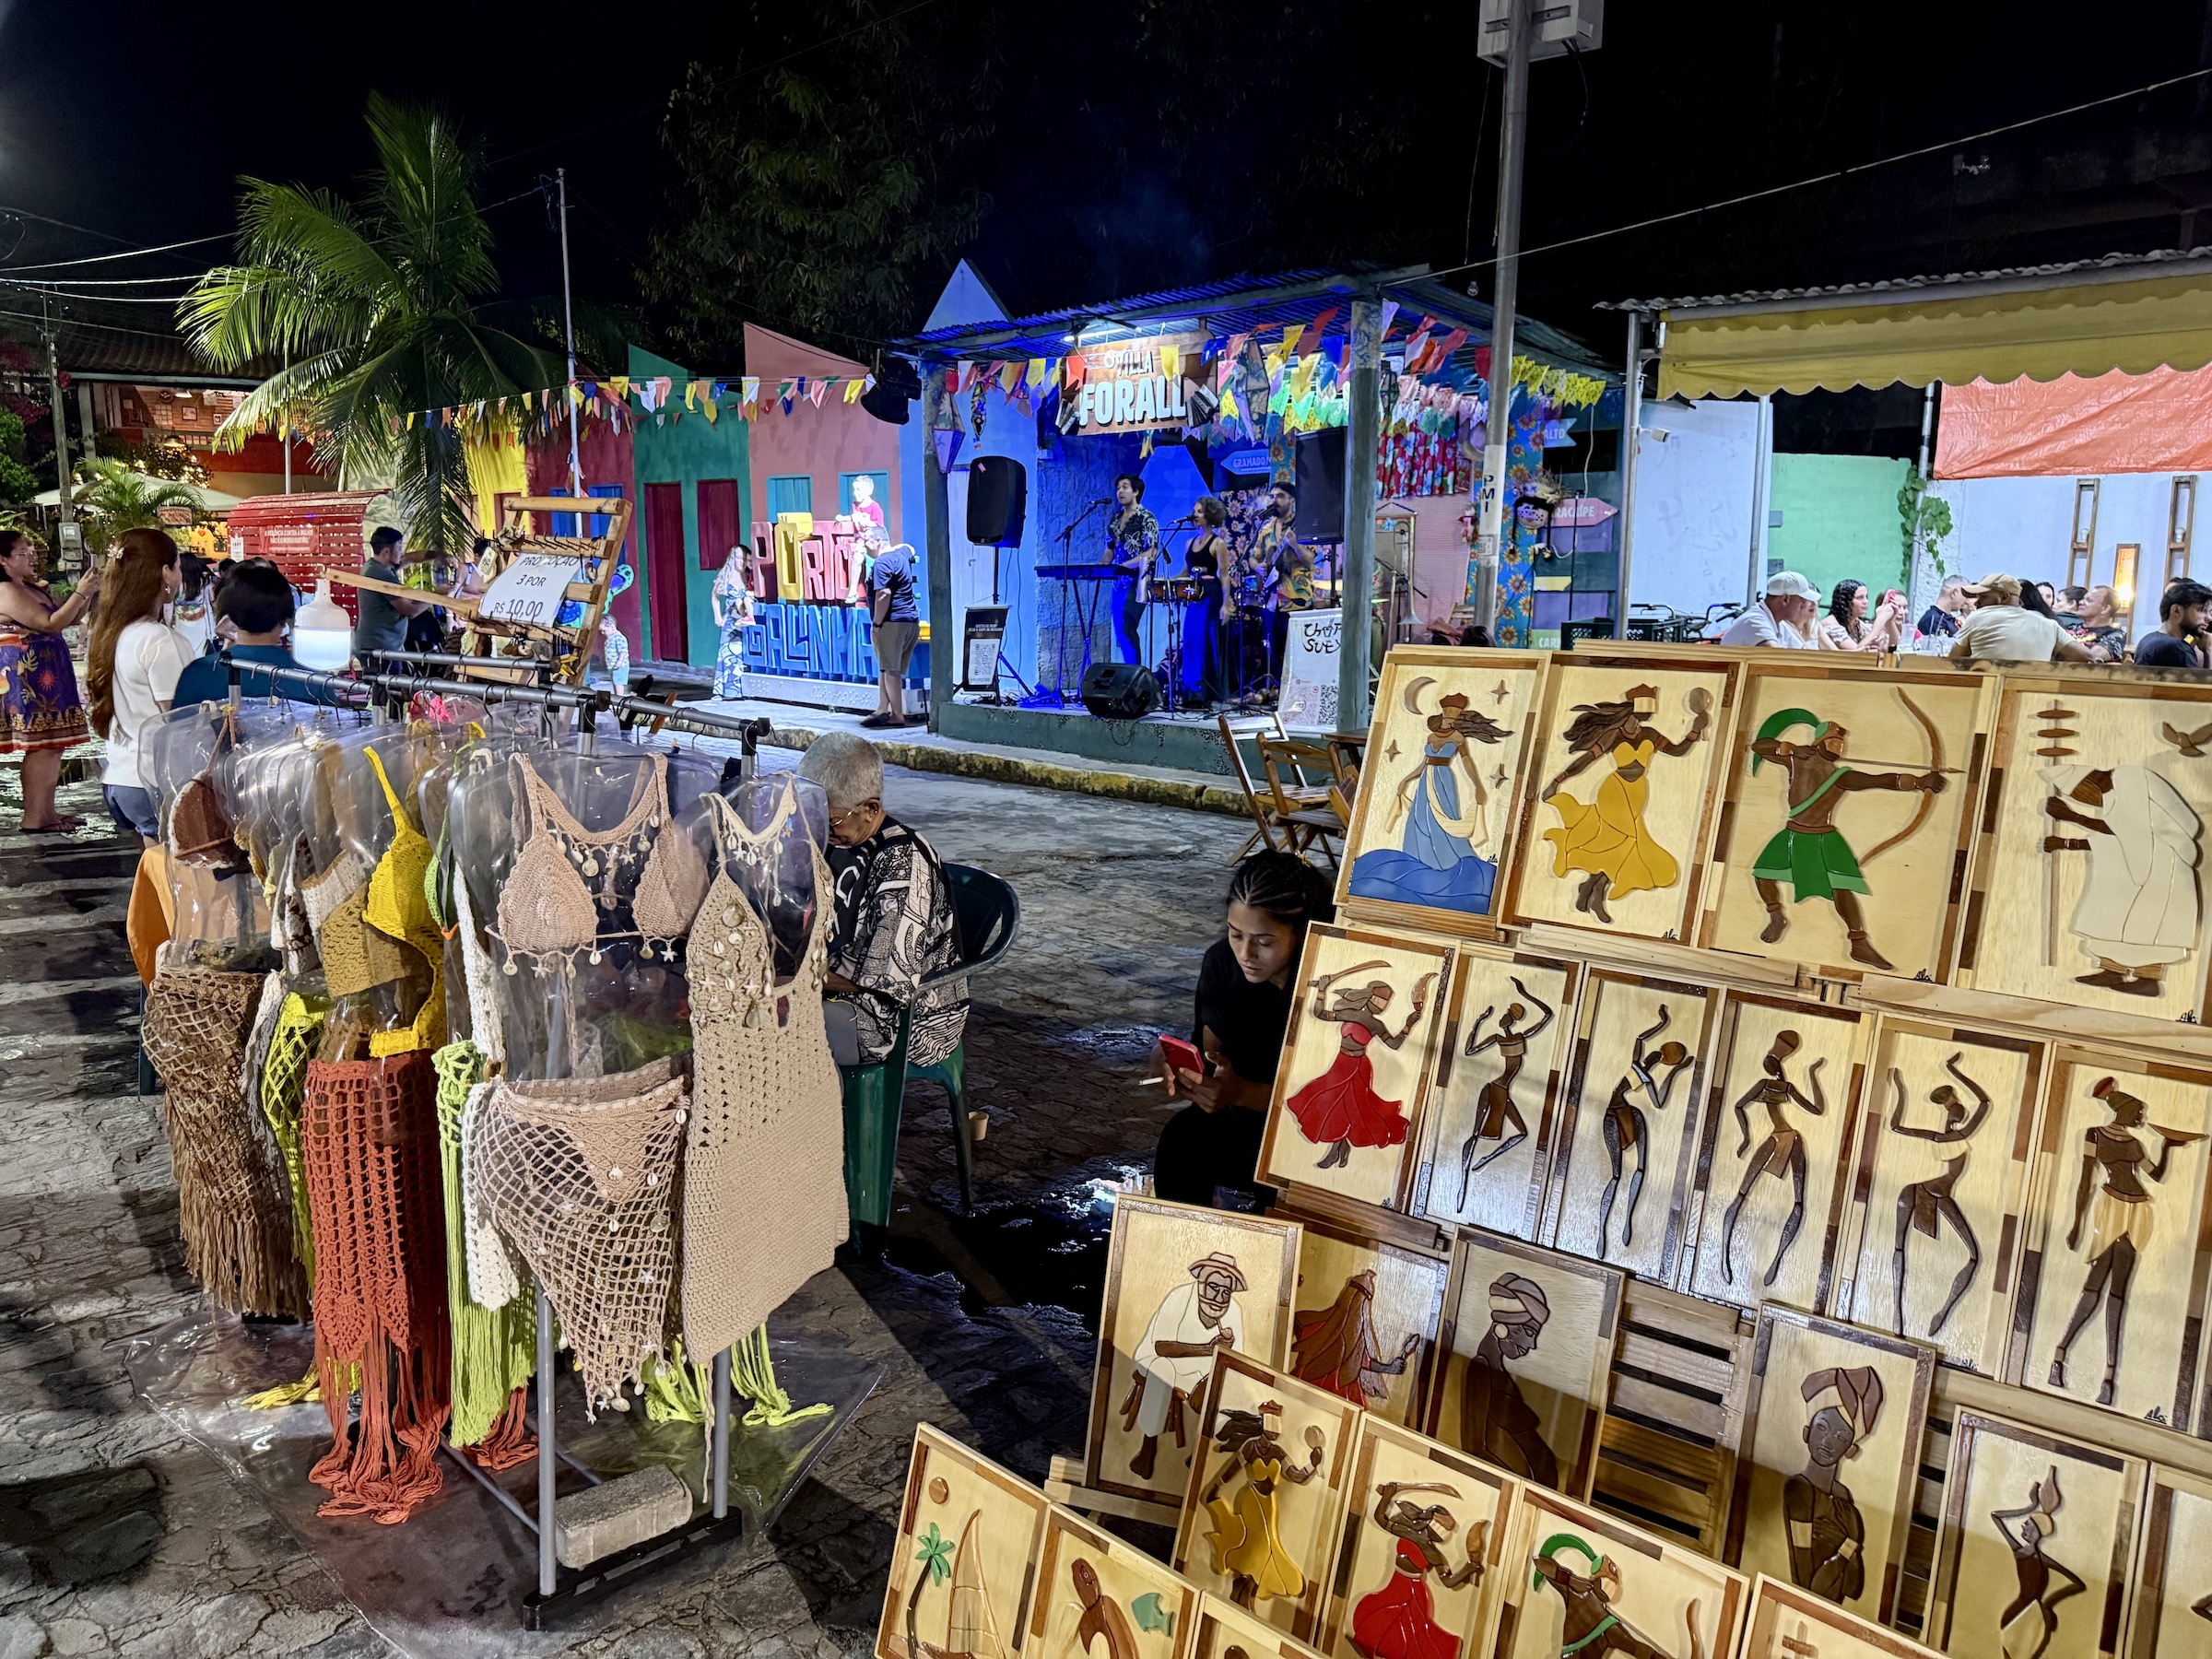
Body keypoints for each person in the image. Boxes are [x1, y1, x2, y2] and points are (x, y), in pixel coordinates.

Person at [1153, 853, 1335, 1208]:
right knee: (1182, 1140)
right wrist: (1168, 1062)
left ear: (1300, 934)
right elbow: (1206, 1051)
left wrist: (1242, 1093)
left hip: (1308, 1130)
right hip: (1235, 1116)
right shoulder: (1222, 962)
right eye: (1236, 934)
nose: (1245, 953)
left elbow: (1330, 1102)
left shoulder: (1329, 983)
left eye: (1264, 941)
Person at [799, 731, 967, 1070]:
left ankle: (819, 1122)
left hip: (905, 1018)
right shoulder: (837, 839)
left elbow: (883, 984)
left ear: (870, 809)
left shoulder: (904, 864)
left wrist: (798, 977)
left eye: (829, 820)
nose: (818, 827)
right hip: (837, 986)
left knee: (772, 1023)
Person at [87, 529, 186, 846]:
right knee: (182, 882)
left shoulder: (111, 631)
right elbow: (178, 716)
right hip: (155, 780)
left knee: (156, 876)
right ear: (165, 573)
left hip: (122, 776)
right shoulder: (156, 638)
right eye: (178, 565)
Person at [0, 529, 100, 832]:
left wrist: (89, 593)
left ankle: (46, 813)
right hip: (27, 676)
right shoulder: (6, 590)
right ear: (3, 560)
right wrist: (82, 592)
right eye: (22, 552)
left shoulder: (29, 587)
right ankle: (35, 816)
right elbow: (49, 623)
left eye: (31, 551)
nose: (31, 556)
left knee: (51, 745)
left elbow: (66, 618)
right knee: (40, 745)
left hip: (46, 672)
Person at [171, 559, 344, 709]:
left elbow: (178, 737)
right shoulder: (311, 679)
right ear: (286, 619)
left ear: (227, 615)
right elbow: (331, 739)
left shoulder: (199, 672)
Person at [1949, 574, 2091, 665]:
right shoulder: (2049, 625)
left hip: (1986, 695)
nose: (1976, 603)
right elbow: (2086, 656)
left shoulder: (1977, 617)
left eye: (1983, 597)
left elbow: (1953, 661)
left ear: (2004, 597)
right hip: (2032, 699)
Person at [862, 539, 921, 728]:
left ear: (878, 541)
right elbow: (911, 547)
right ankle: (882, 708)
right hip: (910, 621)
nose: (864, 546)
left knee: (891, 671)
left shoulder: (882, 562)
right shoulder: (902, 554)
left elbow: (884, 594)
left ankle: (897, 715)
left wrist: (877, 622)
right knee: (887, 668)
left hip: (892, 622)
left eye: (866, 541)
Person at [1106, 472, 1161, 668]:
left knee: (1126, 627)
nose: (1120, 491)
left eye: (1125, 487)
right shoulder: (1115, 519)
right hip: (1118, 583)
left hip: (1139, 582)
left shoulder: (1147, 519)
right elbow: (1109, 551)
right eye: (1118, 487)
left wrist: (1124, 566)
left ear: (1136, 492)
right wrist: (1097, 569)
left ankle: (1134, 676)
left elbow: (1150, 553)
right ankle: (1129, 673)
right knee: (1120, 633)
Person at [1182, 495, 1232, 704]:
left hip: (1210, 597)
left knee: (1204, 643)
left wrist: (1226, 604)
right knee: (1190, 642)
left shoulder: (1217, 543)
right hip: (1193, 597)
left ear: (1210, 515)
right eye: (1195, 511)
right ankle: (1191, 692)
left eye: (1200, 511)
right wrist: (1163, 580)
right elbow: (1185, 572)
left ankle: (1206, 693)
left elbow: (1225, 575)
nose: (1195, 515)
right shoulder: (1189, 543)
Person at [353, 524, 429, 661]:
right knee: (387, 682)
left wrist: (441, 556)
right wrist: (438, 598)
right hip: (378, 648)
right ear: (386, 551)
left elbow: (412, 558)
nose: (402, 552)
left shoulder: (376, 566)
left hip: (378, 645)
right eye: (399, 548)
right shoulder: (381, 574)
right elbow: (410, 610)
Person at [1262, 481, 1314, 680]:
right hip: (1272, 600)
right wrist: (1258, 566)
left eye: (1280, 496)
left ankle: (1298, 692)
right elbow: (1253, 556)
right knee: (1274, 650)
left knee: (1298, 652)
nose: (1275, 500)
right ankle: (1277, 691)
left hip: (1296, 599)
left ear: (1292, 500)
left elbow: (1310, 561)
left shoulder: (1303, 526)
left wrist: (1294, 545)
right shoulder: (1266, 530)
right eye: (1272, 496)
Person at [1721, 571, 1822, 648]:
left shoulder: (1779, 623)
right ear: (1785, 599)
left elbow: (1803, 654)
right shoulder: (1755, 621)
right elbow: (1775, 659)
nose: (1806, 605)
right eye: (1803, 601)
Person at [2133, 579, 2211, 669]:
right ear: (2176, 611)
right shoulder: (2178, 649)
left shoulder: (2147, 639)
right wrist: (2208, 652)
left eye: (2209, 612)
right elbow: (2202, 683)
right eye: (2202, 610)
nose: (2209, 618)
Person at [1818, 579, 1903, 652]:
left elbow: (1889, 648)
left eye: (1866, 597)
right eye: (1860, 597)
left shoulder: (1859, 624)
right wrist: (1880, 619)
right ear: (1845, 602)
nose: (1866, 601)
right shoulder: (1831, 624)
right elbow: (1857, 653)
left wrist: (1890, 621)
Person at [711, 555, 754, 699]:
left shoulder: (750, 576)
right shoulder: (726, 575)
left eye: (744, 559)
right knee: (727, 654)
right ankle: (723, 690)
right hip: (730, 621)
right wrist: (717, 615)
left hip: (745, 621)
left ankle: (744, 691)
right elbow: (715, 596)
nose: (741, 561)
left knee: (743, 655)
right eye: (738, 558)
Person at [169, 553, 215, 657]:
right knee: (200, 651)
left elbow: (169, 607)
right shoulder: (205, 583)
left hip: (181, 624)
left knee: (184, 650)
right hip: (202, 624)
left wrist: (169, 625)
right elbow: (213, 602)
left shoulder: (176, 585)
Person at [2070, 584, 2129, 663]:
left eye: (2089, 600)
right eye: (2083, 599)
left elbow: (2094, 656)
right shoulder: (2070, 627)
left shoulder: (2115, 635)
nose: (2081, 602)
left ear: (2105, 609)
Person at [1917, 573, 1967, 640]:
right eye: (1965, 595)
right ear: (1954, 593)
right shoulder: (1933, 620)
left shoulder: (1947, 619)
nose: (1966, 600)